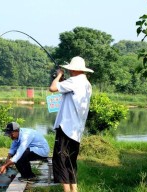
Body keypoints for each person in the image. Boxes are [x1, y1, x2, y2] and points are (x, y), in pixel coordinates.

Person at [49, 56, 93, 192]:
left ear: (73, 69)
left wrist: (59, 75)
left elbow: (52, 88)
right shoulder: (86, 84)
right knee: (71, 161)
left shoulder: (73, 81)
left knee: (60, 160)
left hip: (66, 127)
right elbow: (68, 92)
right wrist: (62, 79)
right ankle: (74, 190)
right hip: (76, 130)